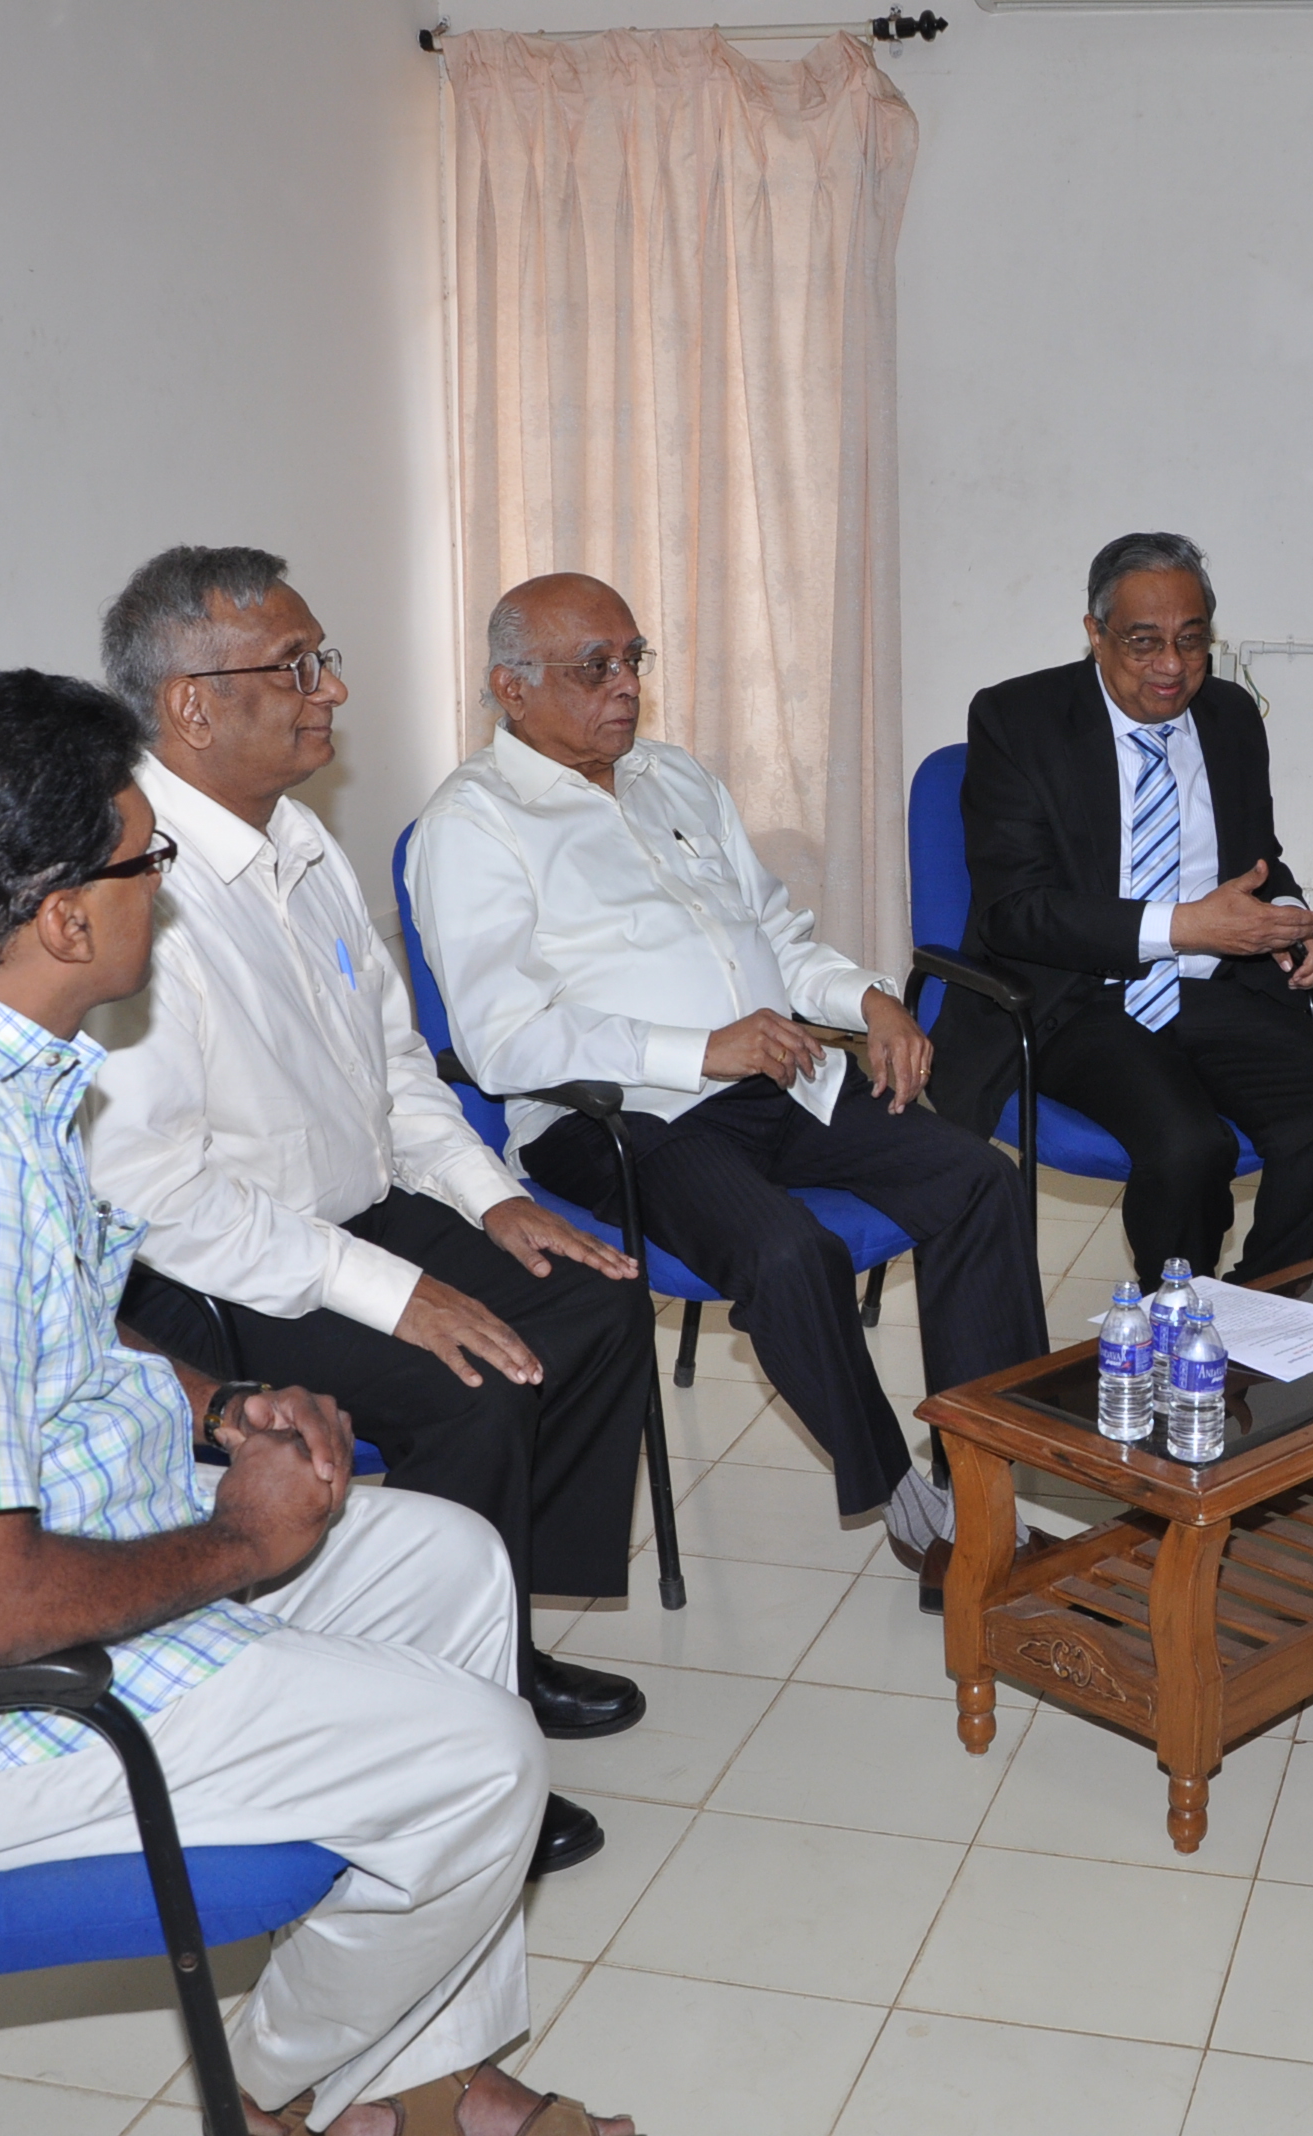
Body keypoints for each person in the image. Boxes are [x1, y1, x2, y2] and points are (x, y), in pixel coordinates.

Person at [0, 671, 633, 2136]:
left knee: (450, 1559)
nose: (163, 886)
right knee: (478, 1761)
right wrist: (241, 1543)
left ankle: (423, 2073)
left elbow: (55, 1312)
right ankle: (270, 2096)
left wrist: (219, 1407)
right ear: (64, 918)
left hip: (29, 1555)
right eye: (144, 857)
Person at [83, 548, 653, 1877]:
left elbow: (395, 1063)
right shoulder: (129, 886)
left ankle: (497, 1639)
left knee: (589, 1306)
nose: (331, 691)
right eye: (298, 668)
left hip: (355, 1213)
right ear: (191, 705)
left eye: (323, 659)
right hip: (212, 1273)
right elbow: (158, 1196)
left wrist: (492, 1199)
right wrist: (395, 1297)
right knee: (472, 1387)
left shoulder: (297, 837)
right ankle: (448, 1742)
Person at [410, 572, 1050, 1611]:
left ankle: (986, 1479)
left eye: (633, 659)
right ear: (510, 687)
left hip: (776, 1076)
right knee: (790, 1253)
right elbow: (502, 1041)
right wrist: (700, 1049)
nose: (625, 685)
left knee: (977, 1178)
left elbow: (776, 938)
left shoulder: (673, 777)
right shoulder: (473, 824)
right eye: (594, 668)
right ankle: (910, 1506)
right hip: (617, 1117)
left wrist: (871, 1000)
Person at [933, 532, 1313, 1286]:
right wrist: (1183, 926)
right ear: (1095, 633)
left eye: (1192, 640)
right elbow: (1013, 912)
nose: (1172, 666)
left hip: (1211, 989)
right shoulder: (1018, 719)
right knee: (1188, 1148)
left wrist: (1285, 914)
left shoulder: (1229, 714)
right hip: (1075, 998)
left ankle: (1253, 1306)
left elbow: (1258, 853)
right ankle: (1178, 1314)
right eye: (1143, 642)